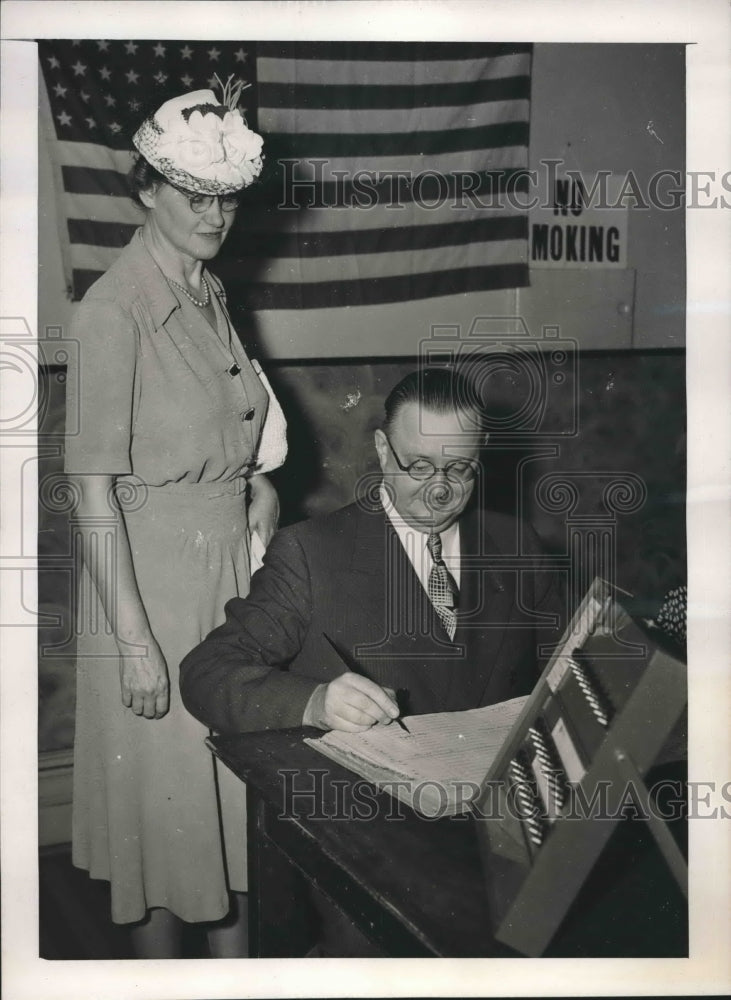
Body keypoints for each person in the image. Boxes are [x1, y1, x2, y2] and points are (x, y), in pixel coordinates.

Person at [64, 82, 287, 957]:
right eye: (194, 195)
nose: (214, 214)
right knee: (164, 824)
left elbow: (236, 432)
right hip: (148, 593)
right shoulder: (112, 311)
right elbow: (88, 497)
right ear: (146, 190)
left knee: (221, 808)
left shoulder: (208, 290)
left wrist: (255, 491)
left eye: (226, 197)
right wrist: (133, 641)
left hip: (226, 572)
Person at [180, 367, 564, 737]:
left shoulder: (518, 546)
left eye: (460, 468)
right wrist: (313, 703)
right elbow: (206, 672)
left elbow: (567, 673)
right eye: (419, 466)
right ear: (383, 450)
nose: (439, 490)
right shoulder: (310, 555)